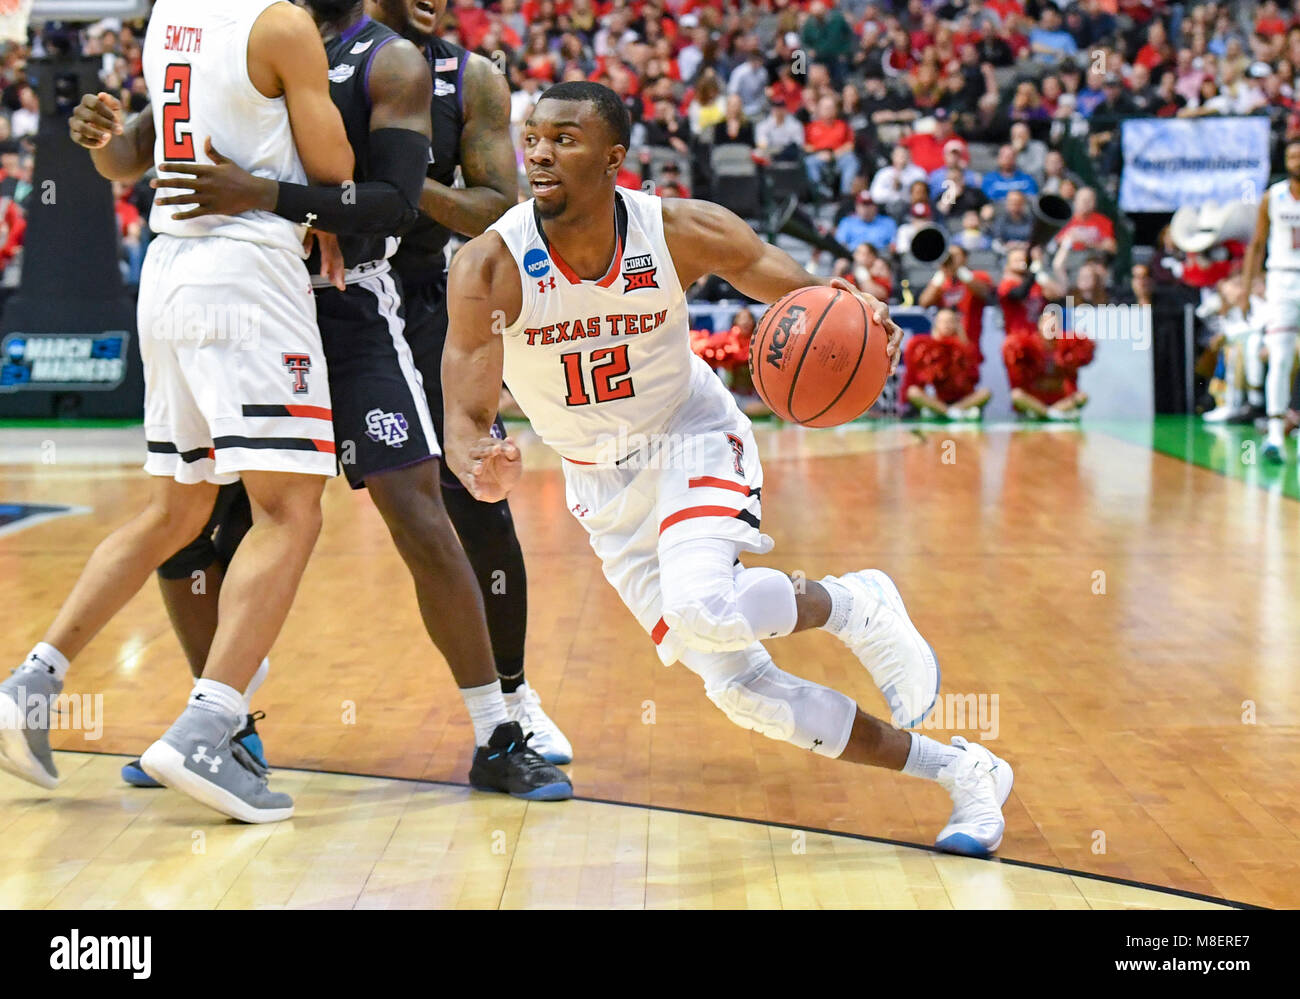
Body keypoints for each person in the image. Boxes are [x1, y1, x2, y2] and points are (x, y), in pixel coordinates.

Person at [442, 81, 1016, 858]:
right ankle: (966, 770)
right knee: (747, 695)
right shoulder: (489, 267)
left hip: (689, 435)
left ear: (615, 158)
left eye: (564, 138)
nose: (540, 151)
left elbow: (804, 288)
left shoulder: (676, 229)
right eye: (534, 136)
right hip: (599, 488)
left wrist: (857, 301)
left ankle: (854, 605)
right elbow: (465, 419)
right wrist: (482, 464)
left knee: (704, 600)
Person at [77, 0, 574, 802]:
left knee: (418, 510)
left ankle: (498, 728)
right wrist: (106, 135)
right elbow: (138, 147)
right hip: (249, 298)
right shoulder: (245, 28)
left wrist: (268, 194)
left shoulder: (394, 63)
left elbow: (392, 203)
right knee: (200, 528)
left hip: (351, 309)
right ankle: (218, 729)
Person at [0, 0, 356, 821]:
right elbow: (331, 167)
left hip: (167, 275)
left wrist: (110, 138)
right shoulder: (280, 25)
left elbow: (133, 157)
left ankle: (33, 682)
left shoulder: (170, 18)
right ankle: (210, 725)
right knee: (291, 508)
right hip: (246, 276)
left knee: (177, 507)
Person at [365, 0, 573, 758]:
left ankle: (515, 697)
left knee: (479, 496)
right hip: (309, 293)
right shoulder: (316, 51)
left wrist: (395, 183)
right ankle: (220, 714)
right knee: (242, 506)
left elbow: (493, 209)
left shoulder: (474, 77)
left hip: (422, 298)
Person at [1243, 137, 1300, 463]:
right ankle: (1276, 434)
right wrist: (1249, 288)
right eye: (1291, 156)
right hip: (1283, 279)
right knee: (1279, 357)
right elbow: (1257, 244)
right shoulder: (1273, 196)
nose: (1295, 160)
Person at [901, 308, 990, 421]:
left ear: (956, 324)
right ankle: (948, 412)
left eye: (950, 321)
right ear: (936, 324)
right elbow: (920, 380)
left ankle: (953, 410)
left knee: (985, 393)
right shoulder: (924, 346)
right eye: (943, 321)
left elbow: (974, 378)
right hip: (936, 399)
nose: (946, 325)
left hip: (961, 399)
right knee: (913, 392)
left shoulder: (966, 347)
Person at [1005, 307, 1094, 420]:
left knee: (1082, 397)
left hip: (1060, 399)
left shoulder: (1068, 345)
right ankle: (1050, 414)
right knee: (1016, 395)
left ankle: (1046, 414)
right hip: (1036, 398)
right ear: (1039, 325)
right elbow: (1019, 379)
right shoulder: (1027, 345)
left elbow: (1072, 379)